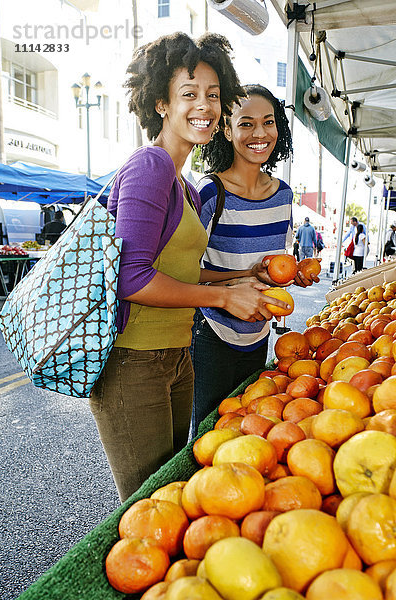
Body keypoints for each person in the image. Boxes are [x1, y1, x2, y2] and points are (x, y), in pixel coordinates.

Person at [89, 34, 289, 502]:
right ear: (161, 101)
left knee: (177, 490)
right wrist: (223, 298)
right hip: (133, 361)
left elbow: (185, 274)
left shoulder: (183, 184)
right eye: (189, 93)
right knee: (149, 506)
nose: (205, 105)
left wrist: (242, 280)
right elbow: (131, 277)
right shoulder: (151, 167)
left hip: (177, 357)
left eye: (214, 95)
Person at [190, 85, 317, 438]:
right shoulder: (210, 193)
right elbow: (185, 273)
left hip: (259, 334)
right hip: (210, 333)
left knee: (247, 427)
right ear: (227, 130)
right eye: (246, 124)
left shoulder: (284, 196)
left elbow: (272, 267)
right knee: (207, 434)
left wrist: (293, 275)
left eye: (268, 122)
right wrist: (244, 275)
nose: (260, 133)